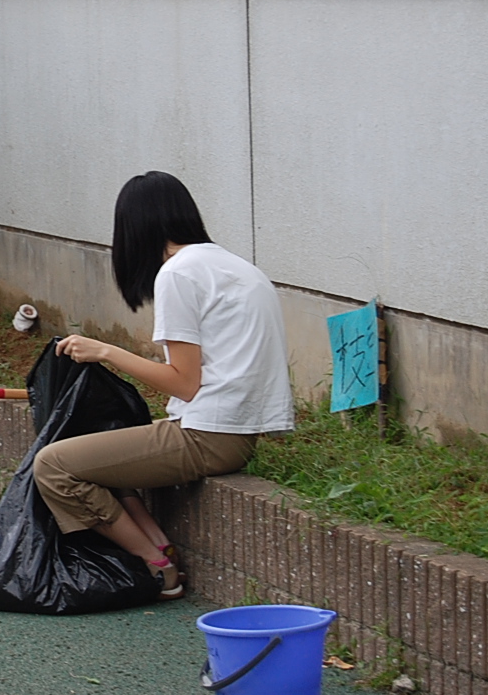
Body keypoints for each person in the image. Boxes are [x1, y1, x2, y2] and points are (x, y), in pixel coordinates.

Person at [32, 171, 294, 600]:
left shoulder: (178, 274)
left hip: (207, 435)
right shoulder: (235, 266)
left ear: (133, 228)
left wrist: (106, 352)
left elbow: (184, 383)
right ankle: (158, 543)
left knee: (54, 466)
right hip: (237, 431)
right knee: (102, 444)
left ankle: (157, 568)